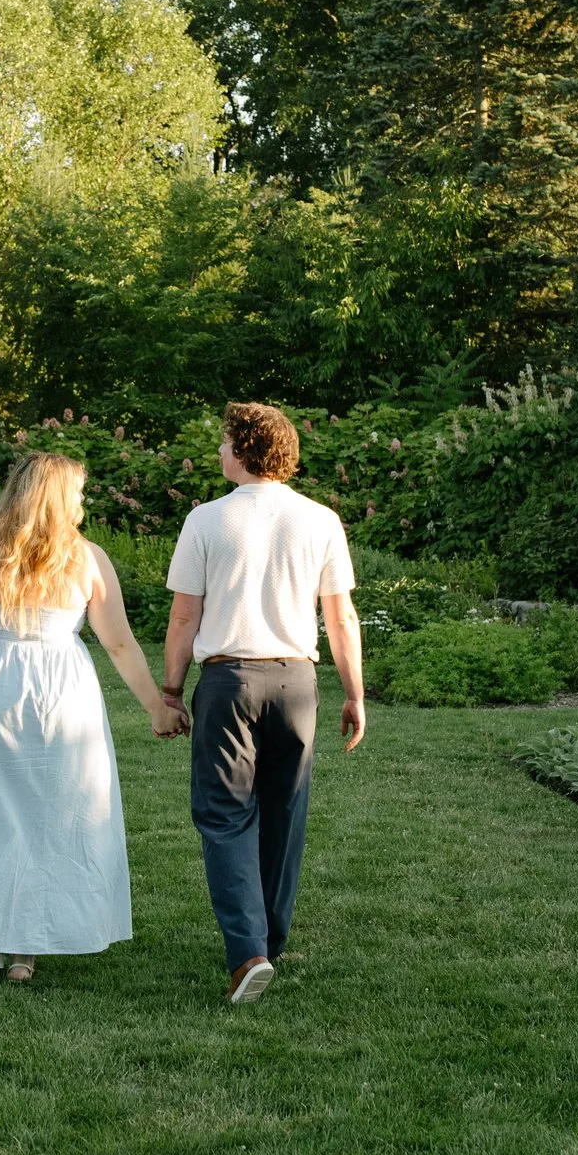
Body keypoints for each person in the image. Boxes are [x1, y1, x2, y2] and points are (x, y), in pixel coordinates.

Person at [0, 452, 189, 982]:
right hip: (64, 697)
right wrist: (156, 705)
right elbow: (120, 643)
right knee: (52, 819)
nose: (83, 501)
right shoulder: (87, 559)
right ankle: (24, 950)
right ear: (58, 498)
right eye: (78, 492)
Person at [162, 402, 365, 1005]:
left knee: (225, 816)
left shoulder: (206, 520)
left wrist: (171, 691)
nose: (218, 452)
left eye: (224, 442)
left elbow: (184, 614)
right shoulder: (322, 520)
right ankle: (270, 941)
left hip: (229, 682)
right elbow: (340, 615)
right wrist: (354, 692)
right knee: (284, 813)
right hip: (298, 683)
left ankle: (248, 953)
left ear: (245, 448)